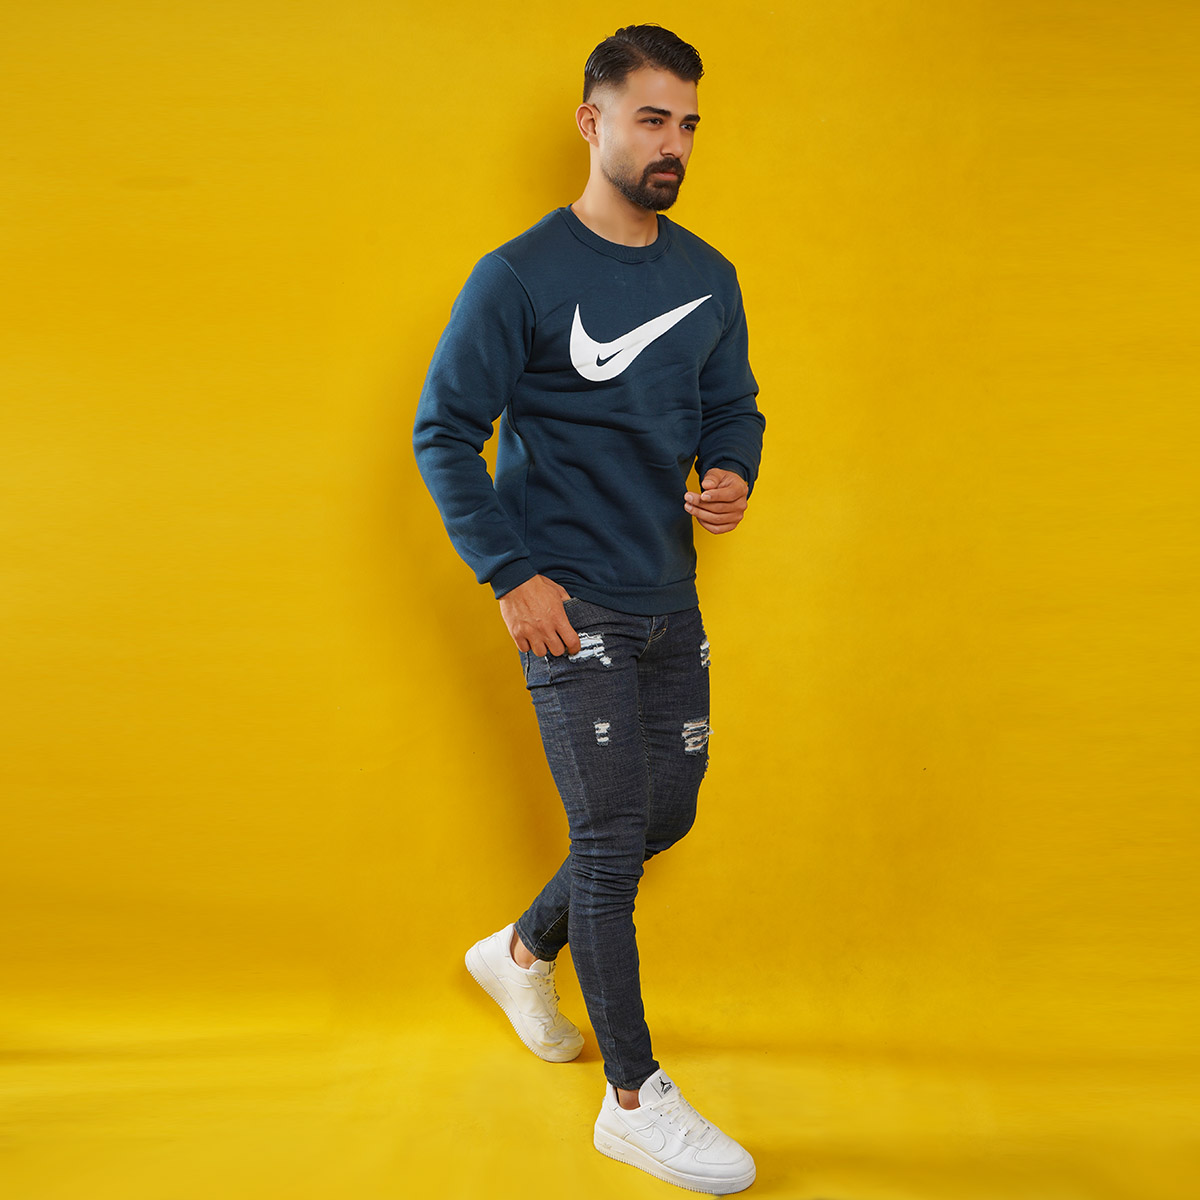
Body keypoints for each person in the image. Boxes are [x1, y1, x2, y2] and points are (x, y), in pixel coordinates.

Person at [412, 23, 764, 1195]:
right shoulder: (519, 276)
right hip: (570, 604)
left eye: (688, 123)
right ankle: (633, 1099)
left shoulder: (708, 275)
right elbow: (443, 433)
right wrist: (510, 573)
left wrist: (732, 468)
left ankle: (520, 953)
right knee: (612, 841)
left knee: (668, 813)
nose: (674, 143)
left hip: (670, 593)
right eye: (652, 118)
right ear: (592, 121)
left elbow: (733, 405)